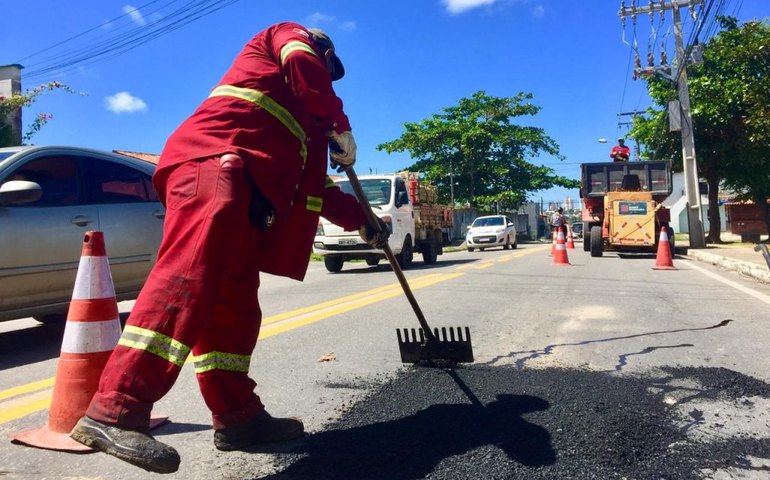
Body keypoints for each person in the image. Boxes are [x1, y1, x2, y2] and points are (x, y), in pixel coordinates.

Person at [70, 22, 389, 474]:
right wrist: (339, 122)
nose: (323, 78)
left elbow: (314, 188)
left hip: (246, 190)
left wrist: (364, 221)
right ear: (321, 52)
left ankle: (238, 417)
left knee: (233, 307)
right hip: (215, 163)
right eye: (326, 69)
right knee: (189, 276)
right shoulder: (285, 36)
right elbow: (301, 59)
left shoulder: (300, 127)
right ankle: (115, 409)